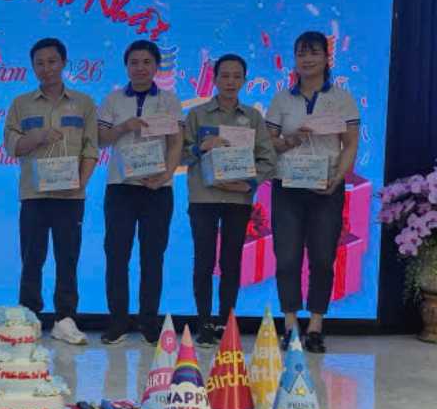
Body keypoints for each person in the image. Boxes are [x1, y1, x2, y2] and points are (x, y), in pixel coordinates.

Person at [265, 31, 360, 353]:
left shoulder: (342, 98)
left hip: (325, 188)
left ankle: (316, 325)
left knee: (322, 258)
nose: (307, 59)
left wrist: (339, 177)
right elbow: (268, 144)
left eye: (314, 53)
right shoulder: (282, 99)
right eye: (301, 54)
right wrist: (290, 138)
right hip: (287, 187)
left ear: (326, 58)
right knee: (287, 258)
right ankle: (290, 324)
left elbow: (350, 144)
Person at [3, 38, 99, 346]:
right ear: (33, 67)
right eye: (39, 63)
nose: (46, 68)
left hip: (71, 196)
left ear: (63, 63)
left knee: (67, 257)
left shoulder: (83, 103)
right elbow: (12, 147)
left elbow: (91, 148)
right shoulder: (21, 104)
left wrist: (81, 184)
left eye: (52, 61)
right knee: (32, 258)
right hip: (34, 194)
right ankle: (29, 316)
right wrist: (39, 136)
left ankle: (65, 319)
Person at [182, 54, 277, 347]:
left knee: (231, 261)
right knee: (204, 260)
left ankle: (226, 321)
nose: (230, 81)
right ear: (214, 78)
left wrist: (248, 182)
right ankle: (204, 323)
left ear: (244, 81)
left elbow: (268, 160)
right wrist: (201, 146)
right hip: (204, 197)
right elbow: (181, 154)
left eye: (237, 76)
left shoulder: (252, 117)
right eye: (225, 75)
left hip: (238, 198)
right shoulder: (197, 115)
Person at [97, 39, 184, 345]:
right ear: (126, 66)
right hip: (121, 187)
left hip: (157, 189)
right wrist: (124, 127)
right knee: (116, 255)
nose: (140, 68)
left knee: (152, 257)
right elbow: (100, 139)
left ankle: (149, 322)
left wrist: (166, 175)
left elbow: (176, 143)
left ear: (156, 66)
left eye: (147, 62)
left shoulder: (170, 100)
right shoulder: (113, 99)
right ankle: (117, 322)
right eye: (134, 62)